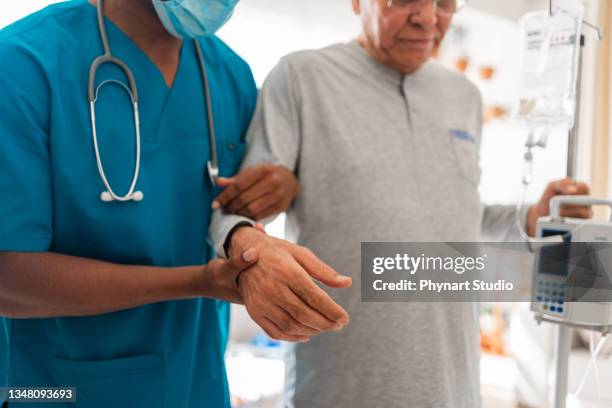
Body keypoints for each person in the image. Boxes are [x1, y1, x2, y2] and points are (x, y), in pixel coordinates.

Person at [211, 0, 591, 406]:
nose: (428, 17)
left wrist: (531, 217)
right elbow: (235, 213)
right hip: (342, 387)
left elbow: (459, 215)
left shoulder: (464, 96)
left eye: (445, 3)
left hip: (455, 386)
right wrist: (246, 241)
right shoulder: (301, 76)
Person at [0, 1, 352, 407]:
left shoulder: (227, 74)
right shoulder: (24, 64)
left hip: (195, 383)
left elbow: (225, 211)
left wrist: (276, 191)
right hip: (54, 389)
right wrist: (200, 281)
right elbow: (9, 278)